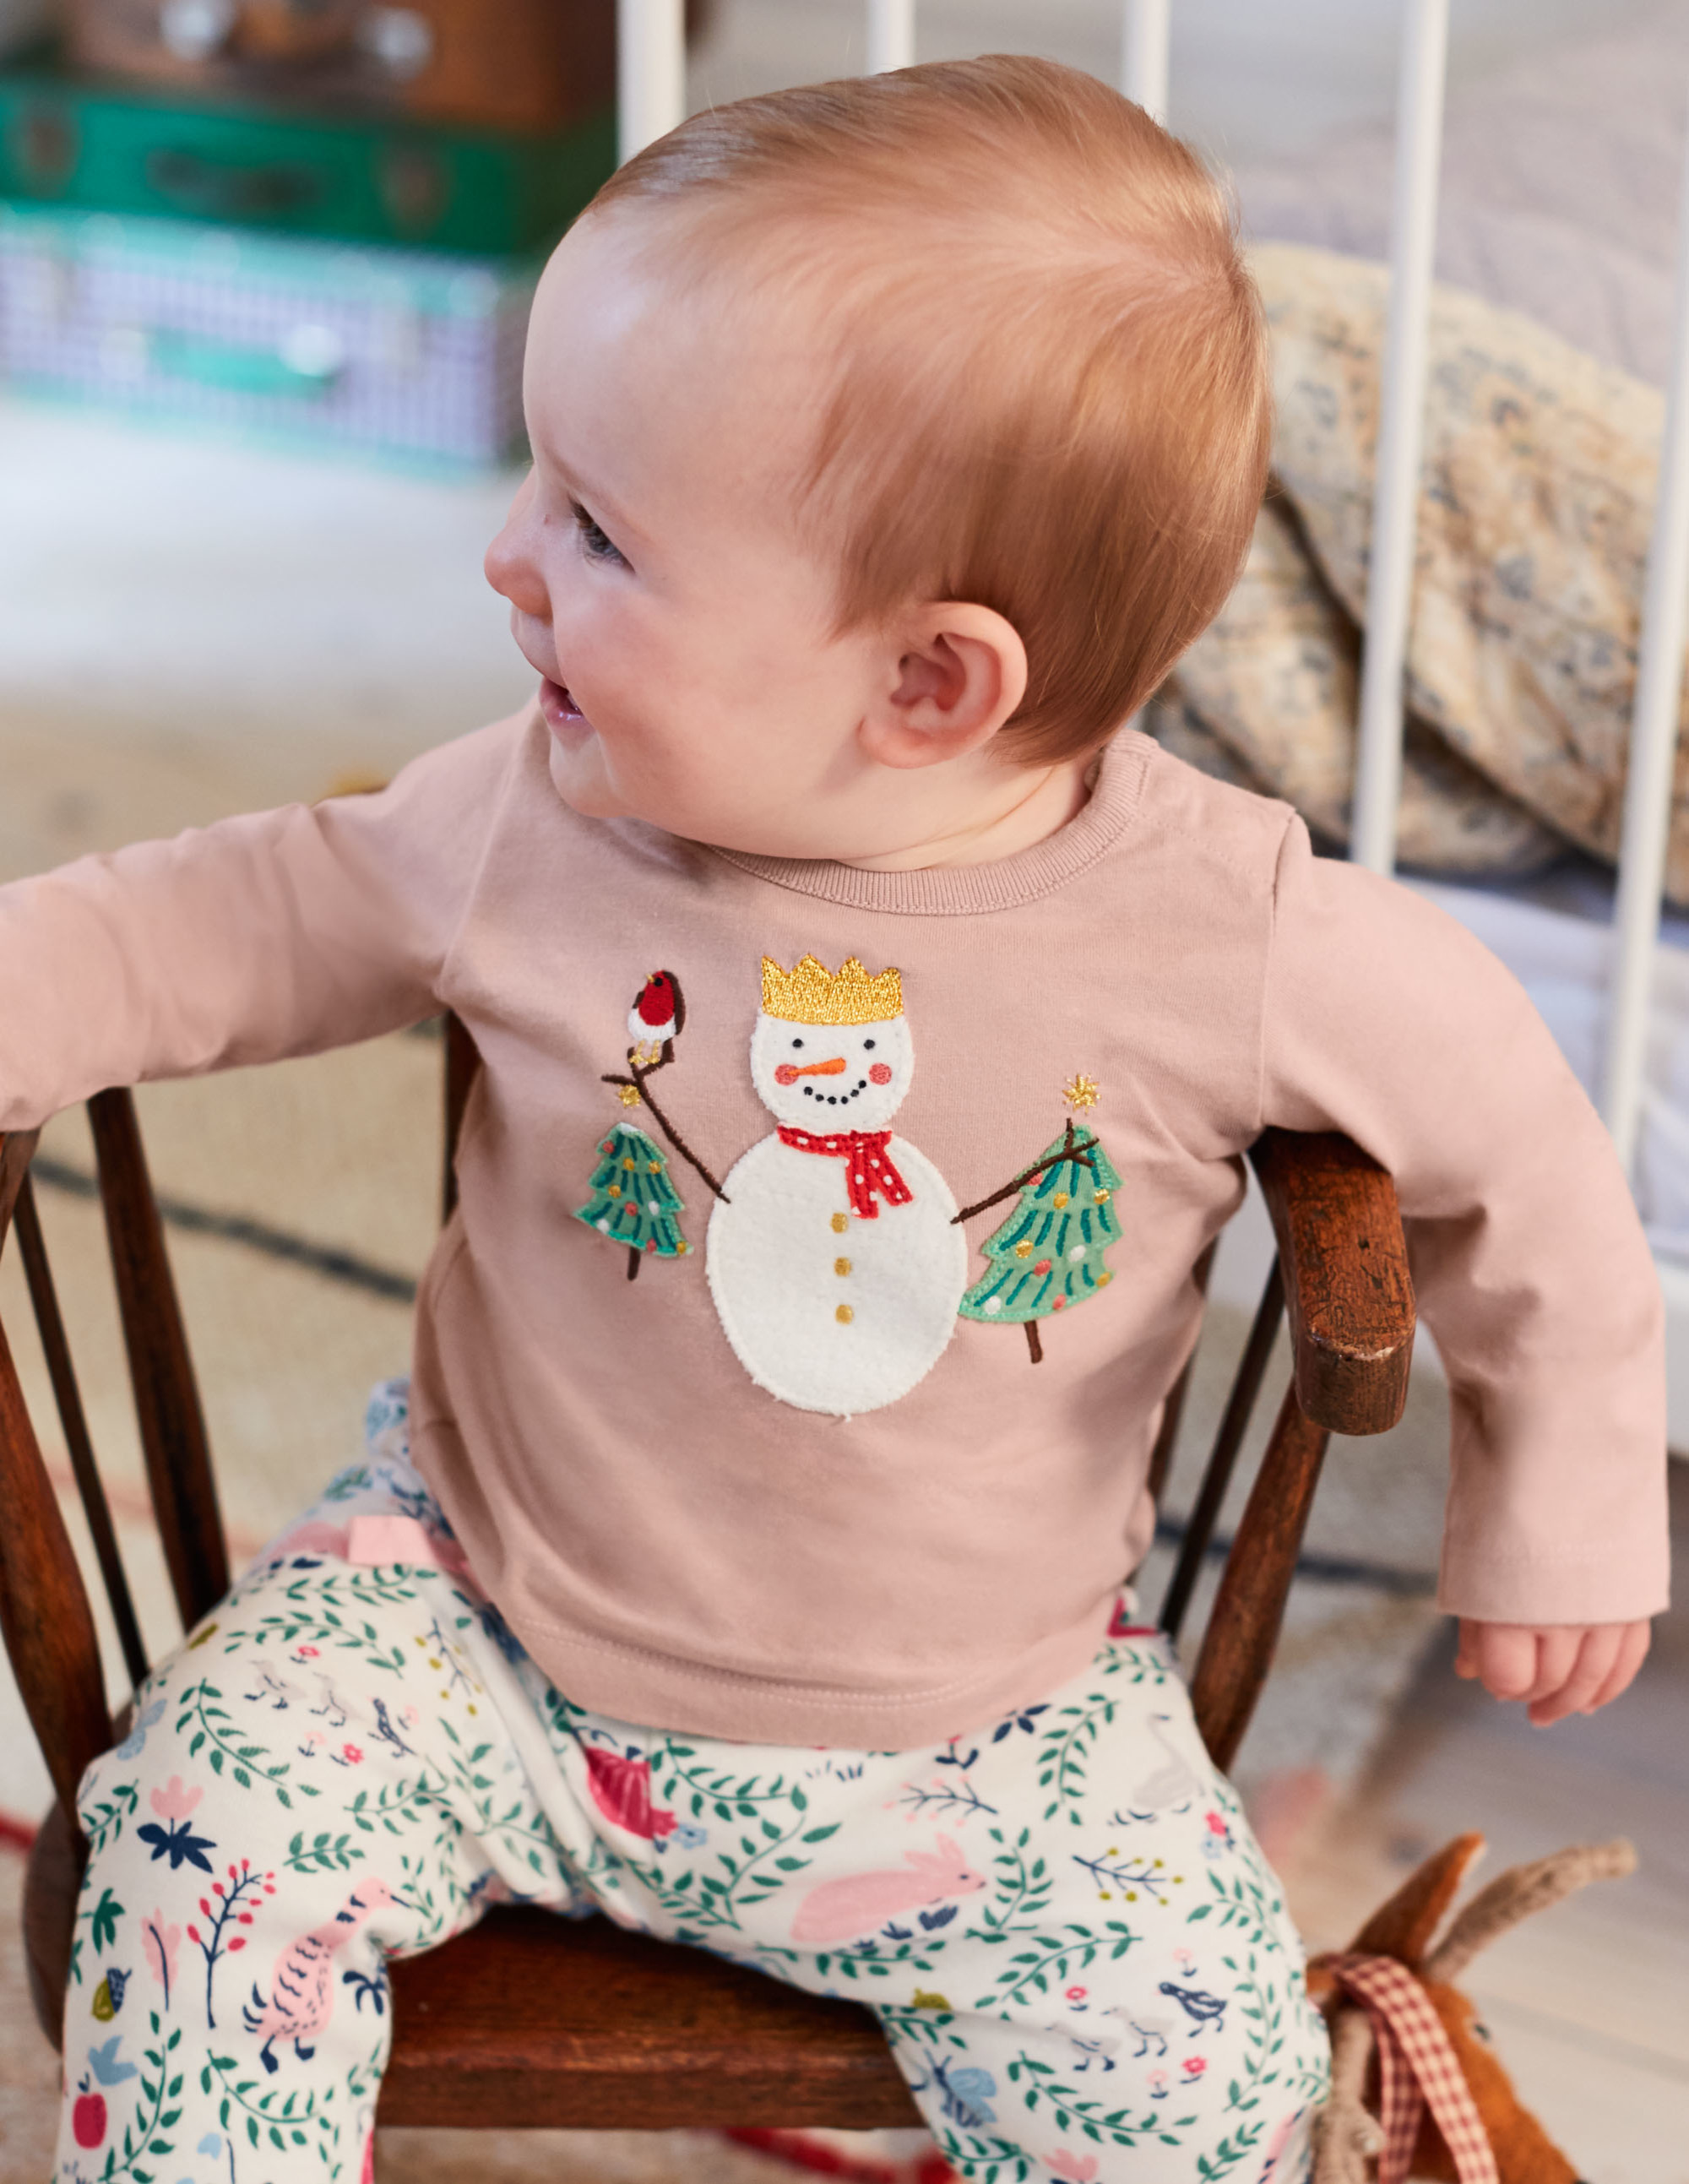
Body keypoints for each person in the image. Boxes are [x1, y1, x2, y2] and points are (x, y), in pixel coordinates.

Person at [3, 57, 1665, 2184]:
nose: (506, 558)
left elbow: (1517, 1155)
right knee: (196, 1834)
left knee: (1201, 2074)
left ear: (927, 685)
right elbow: (220, 916)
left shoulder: (1228, 929)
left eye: (598, 528)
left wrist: (1561, 1491)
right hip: (471, 1621)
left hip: (980, 1739)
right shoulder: (524, 816)